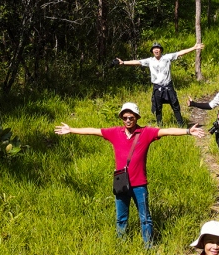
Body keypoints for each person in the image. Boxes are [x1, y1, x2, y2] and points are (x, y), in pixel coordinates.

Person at [55, 103, 205, 247]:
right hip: (122, 183)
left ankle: (148, 246)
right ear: (121, 117)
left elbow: (166, 131)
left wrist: (187, 131)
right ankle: (121, 244)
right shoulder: (114, 133)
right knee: (121, 218)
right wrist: (71, 129)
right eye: (125, 117)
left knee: (145, 218)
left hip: (139, 184)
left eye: (131, 117)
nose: (128, 120)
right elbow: (93, 131)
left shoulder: (146, 133)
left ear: (137, 118)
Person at [116, 41, 204, 126]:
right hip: (157, 88)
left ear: (161, 50)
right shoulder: (150, 60)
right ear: (152, 51)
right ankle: (160, 126)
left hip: (168, 86)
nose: (156, 50)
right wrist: (123, 62)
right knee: (158, 108)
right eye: (154, 49)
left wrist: (194, 47)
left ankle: (181, 124)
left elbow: (180, 53)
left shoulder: (167, 57)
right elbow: (137, 62)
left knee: (175, 106)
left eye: (158, 48)